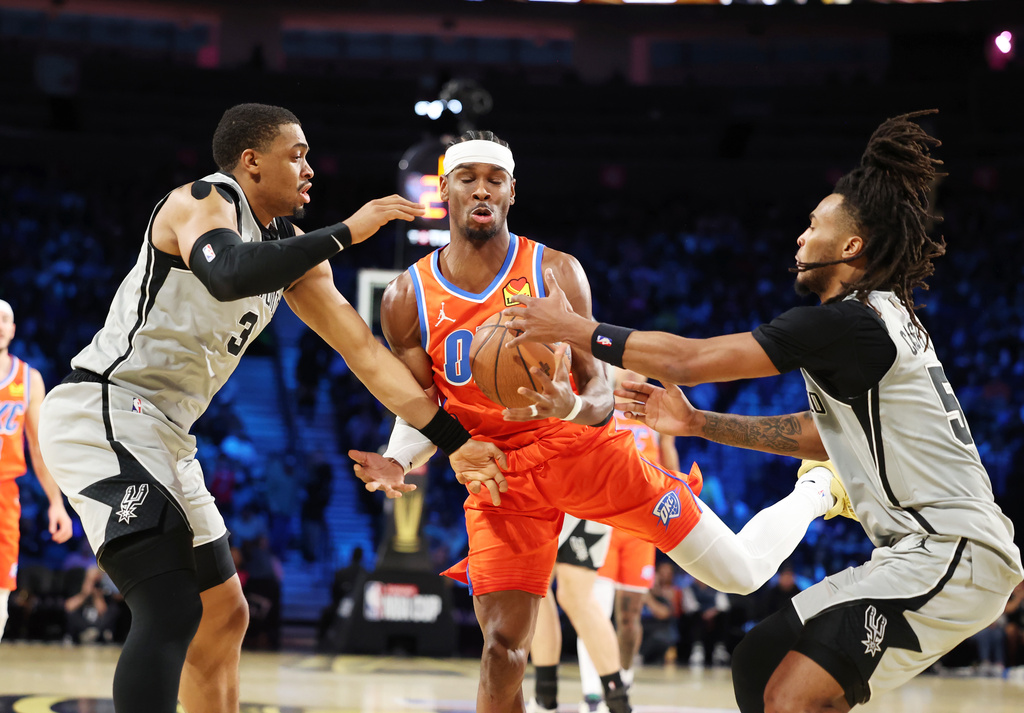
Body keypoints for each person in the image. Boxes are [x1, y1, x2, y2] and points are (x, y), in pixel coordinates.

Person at [504, 111, 1024, 712]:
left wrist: (574, 327)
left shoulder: (844, 323)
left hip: (952, 550)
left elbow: (688, 359)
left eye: (813, 225)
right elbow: (820, 436)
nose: (799, 237)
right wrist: (700, 424)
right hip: (917, 551)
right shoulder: (875, 317)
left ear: (851, 246)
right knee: (758, 659)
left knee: (791, 698)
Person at [348, 131, 853, 713]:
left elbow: (599, 396)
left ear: (513, 192)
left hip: (585, 453)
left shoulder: (556, 271)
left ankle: (815, 488)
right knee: (503, 647)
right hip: (500, 474)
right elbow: (419, 405)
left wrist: (565, 405)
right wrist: (399, 458)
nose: (482, 189)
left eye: (495, 179)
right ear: (447, 190)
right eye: (468, 178)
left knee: (737, 574)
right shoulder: (406, 296)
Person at [36, 103, 506, 713]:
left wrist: (453, 439)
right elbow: (227, 273)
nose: (310, 168)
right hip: (104, 410)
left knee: (223, 615)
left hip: (167, 433)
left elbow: (363, 353)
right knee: (171, 605)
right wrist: (347, 231)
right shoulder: (205, 198)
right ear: (251, 162)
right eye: (297, 154)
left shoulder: (292, 255)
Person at [574, 368, 680, 711]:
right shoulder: (603, 405)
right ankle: (593, 690)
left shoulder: (654, 410)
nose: (633, 371)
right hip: (603, 519)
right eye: (625, 365)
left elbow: (669, 452)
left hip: (642, 525)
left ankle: (624, 680)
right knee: (594, 609)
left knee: (630, 616)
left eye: (639, 366)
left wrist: (678, 492)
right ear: (613, 371)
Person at [0, 298, 73, 641]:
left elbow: (39, 448)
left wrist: (56, 503)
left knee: (1, 596)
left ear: (13, 330)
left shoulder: (29, 379)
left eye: (5, 319)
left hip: (5, 494)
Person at [526, 513, 624, 713]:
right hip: (550, 496)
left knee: (574, 596)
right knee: (534, 587)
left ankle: (619, 704)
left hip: (582, 497)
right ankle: (545, 698)